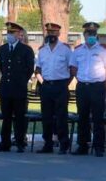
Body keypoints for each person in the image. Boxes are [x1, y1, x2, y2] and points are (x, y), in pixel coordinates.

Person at [69, 22, 106, 157]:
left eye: (94, 34)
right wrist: (82, 78)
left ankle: (99, 147)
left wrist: (102, 86)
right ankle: (83, 145)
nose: (91, 36)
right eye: (89, 34)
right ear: (85, 35)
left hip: (97, 87)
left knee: (98, 118)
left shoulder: (103, 51)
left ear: (96, 35)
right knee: (82, 117)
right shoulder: (78, 51)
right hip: (83, 87)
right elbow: (73, 68)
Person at [0, 22, 35, 153]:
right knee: (6, 118)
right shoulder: (3, 49)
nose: (10, 35)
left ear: (19, 34)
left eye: (12, 33)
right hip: (5, 88)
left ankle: (20, 142)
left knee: (19, 117)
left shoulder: (26, 50)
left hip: (19, 89)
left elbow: (29, 69)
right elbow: (3, 68)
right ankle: (4, 143)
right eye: (8, 33)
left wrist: (21, 81)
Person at [35, 23, 72, 154]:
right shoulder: (42, 50)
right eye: (49, 32)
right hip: (46, 86)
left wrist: (65, 84)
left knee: (61, 117)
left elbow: (72, 69)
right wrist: (43, 83)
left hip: (61, 86)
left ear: (58, 34)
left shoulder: (66, 50)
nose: (51, 35)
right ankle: (48, 144)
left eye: (54, 32)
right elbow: (38, 69)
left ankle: (63, 144)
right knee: (47, 117)